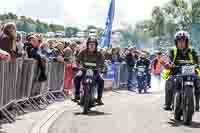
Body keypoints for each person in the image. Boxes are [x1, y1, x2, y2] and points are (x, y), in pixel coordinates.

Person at [162, 30, 200, 111]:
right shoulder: (172, 50)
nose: (181, 43)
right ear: (176, 42)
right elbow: (168, 59)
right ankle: (167, 104)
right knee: (169, 81)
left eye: (183, 41)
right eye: (179, 41)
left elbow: (197, 59)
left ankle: (197, 103)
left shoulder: (192, 50)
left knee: (198, 80)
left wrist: (198, 64)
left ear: (187, 42)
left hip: (191, 73)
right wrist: (168, 64)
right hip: (176, 72)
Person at [73, 37, 105, 105]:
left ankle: (99, 98)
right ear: (87, 45)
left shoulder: (99, 53)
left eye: (93, 44)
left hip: (95, 71)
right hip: (84, 70)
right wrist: (76, 66)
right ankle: (77, 95)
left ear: (96, 45)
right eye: (90, 44)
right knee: (76, 77)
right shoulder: (83, 52)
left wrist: (102, 69)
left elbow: (103, 63)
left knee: (101, 80)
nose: (92, 45)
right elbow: (77, 60)